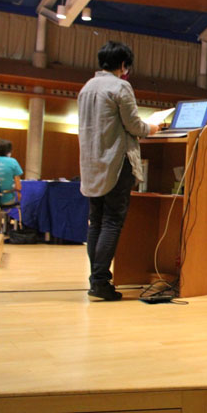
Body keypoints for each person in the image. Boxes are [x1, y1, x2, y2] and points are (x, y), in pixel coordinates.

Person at [78, 41, 159, 301]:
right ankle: (101, 281)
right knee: (112, 222)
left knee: (97, 222)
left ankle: (96, 278)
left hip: (92, 162)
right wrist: (153, 128)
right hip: (115, 162)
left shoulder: (87, 87)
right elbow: (134, 126)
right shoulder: (120, 86)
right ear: (124, 65)